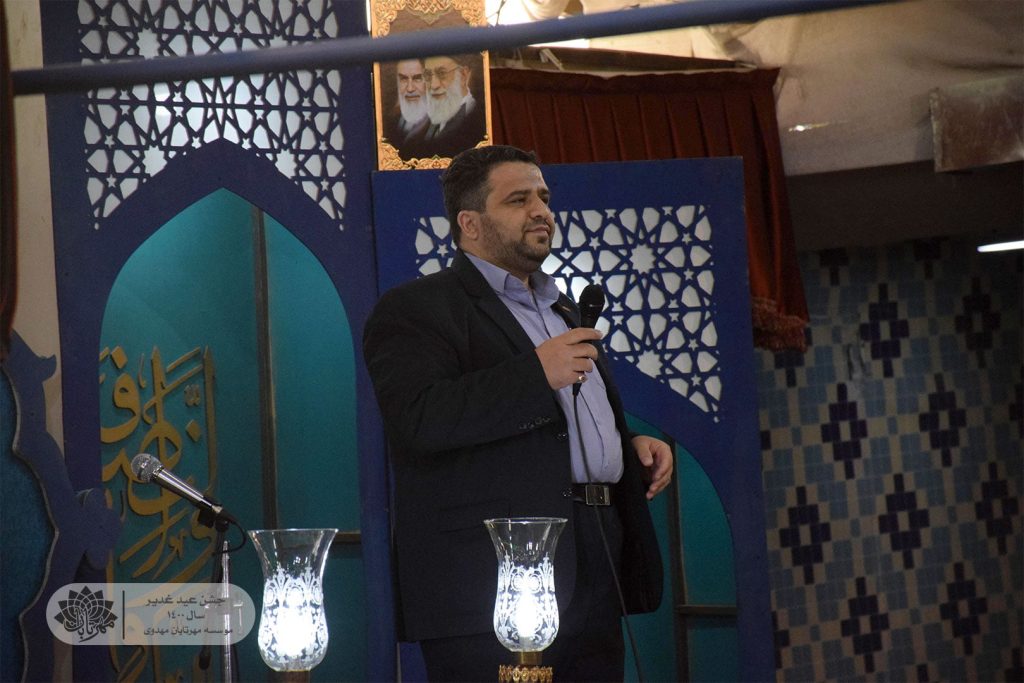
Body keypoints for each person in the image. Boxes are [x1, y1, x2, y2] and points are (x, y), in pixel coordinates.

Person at [363, 145, 673, 681]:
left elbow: (556, 427)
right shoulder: (417, 308)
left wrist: (625, 447)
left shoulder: (561, 308)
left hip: (596, 553)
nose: (541, 211)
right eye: (518, 199)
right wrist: (534, 372)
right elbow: (418, 419)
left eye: (544, 197)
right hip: (489, 574)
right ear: (470, 223)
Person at [402, 54, 487, 160]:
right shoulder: (419, 131)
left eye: (442, 73)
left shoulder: (476, 122)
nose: (433, 85)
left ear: (463, 76)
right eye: (428, 75)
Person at [384, 58, 430, 157]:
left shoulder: (443, 125)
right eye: (403, 79)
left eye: (417, 78)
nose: (410, 88)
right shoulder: (391, 122)